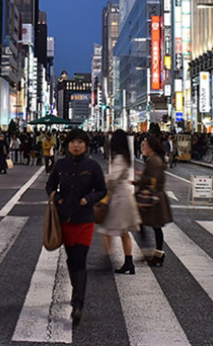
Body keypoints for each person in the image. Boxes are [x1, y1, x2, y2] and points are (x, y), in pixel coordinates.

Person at [45, 129, 106, 326]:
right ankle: (76, 289)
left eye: (80, 142)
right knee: (72, 259)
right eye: (73, 142)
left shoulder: (92, 166)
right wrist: (59, 199)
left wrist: (88, 199)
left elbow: (102, 190)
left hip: (85, 219)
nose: (76, 145)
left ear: (86, 145)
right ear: (67, 144)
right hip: (65, 220)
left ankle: (78, 303)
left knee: (80, 259)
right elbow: (50, 186)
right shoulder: (61, 164)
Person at [97, 130, 141, 275]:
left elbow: (113, 179)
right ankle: (128, 262)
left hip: (119, 199)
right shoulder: (125, 156)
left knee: (106, 228)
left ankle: (107, 259)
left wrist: (102, 181)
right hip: (123, 197)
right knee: (123, 232)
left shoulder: (119, 158)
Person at [136, 135, 173, 267]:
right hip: (156, 197)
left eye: (144, 146)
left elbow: (153, 179)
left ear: (150, 147)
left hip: (153, 198)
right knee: (154, 226)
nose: (143, 148)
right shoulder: (155, 159)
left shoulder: (153, 160)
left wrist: (138, 180)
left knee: (146, 223)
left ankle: (156, 254)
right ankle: (156, 254)